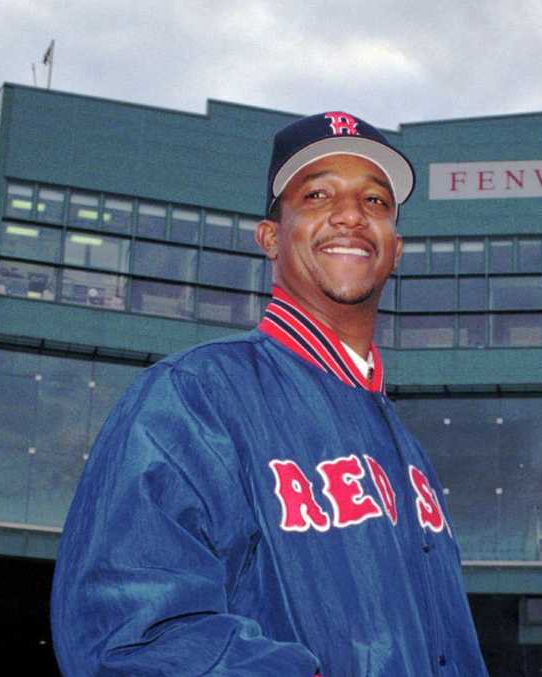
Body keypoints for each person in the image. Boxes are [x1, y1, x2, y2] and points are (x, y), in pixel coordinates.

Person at [51, 111, 489, 676]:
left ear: (395, 247)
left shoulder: (406, 449)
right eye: (317, 195)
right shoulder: (195, 395)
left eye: (375, 202)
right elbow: (126, 634)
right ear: (270, 237)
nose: (352, 215)